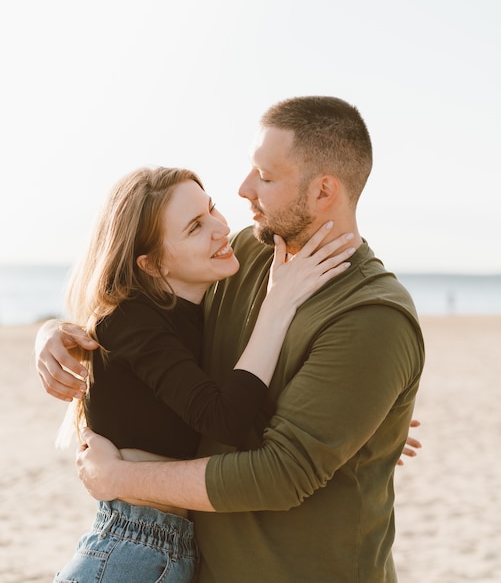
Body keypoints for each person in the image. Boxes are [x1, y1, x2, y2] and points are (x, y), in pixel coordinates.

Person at [36, 96, 425, 582]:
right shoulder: (245, 255)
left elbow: (282, 472)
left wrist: (119, 478)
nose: (243, 190)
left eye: (265, 176)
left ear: (324, 190)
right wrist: (57, 333)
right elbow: (162, 332)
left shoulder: (373, 317)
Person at [46, 165, 354, 583]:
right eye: (195, 227)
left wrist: (345, 415)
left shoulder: (202, 315)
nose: (221, 228)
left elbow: (251, 395)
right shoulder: (131, 320)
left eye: (211, 210)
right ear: (152, 263)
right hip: (129, 552)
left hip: (169, 553)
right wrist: (279, 302)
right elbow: (224, 418)